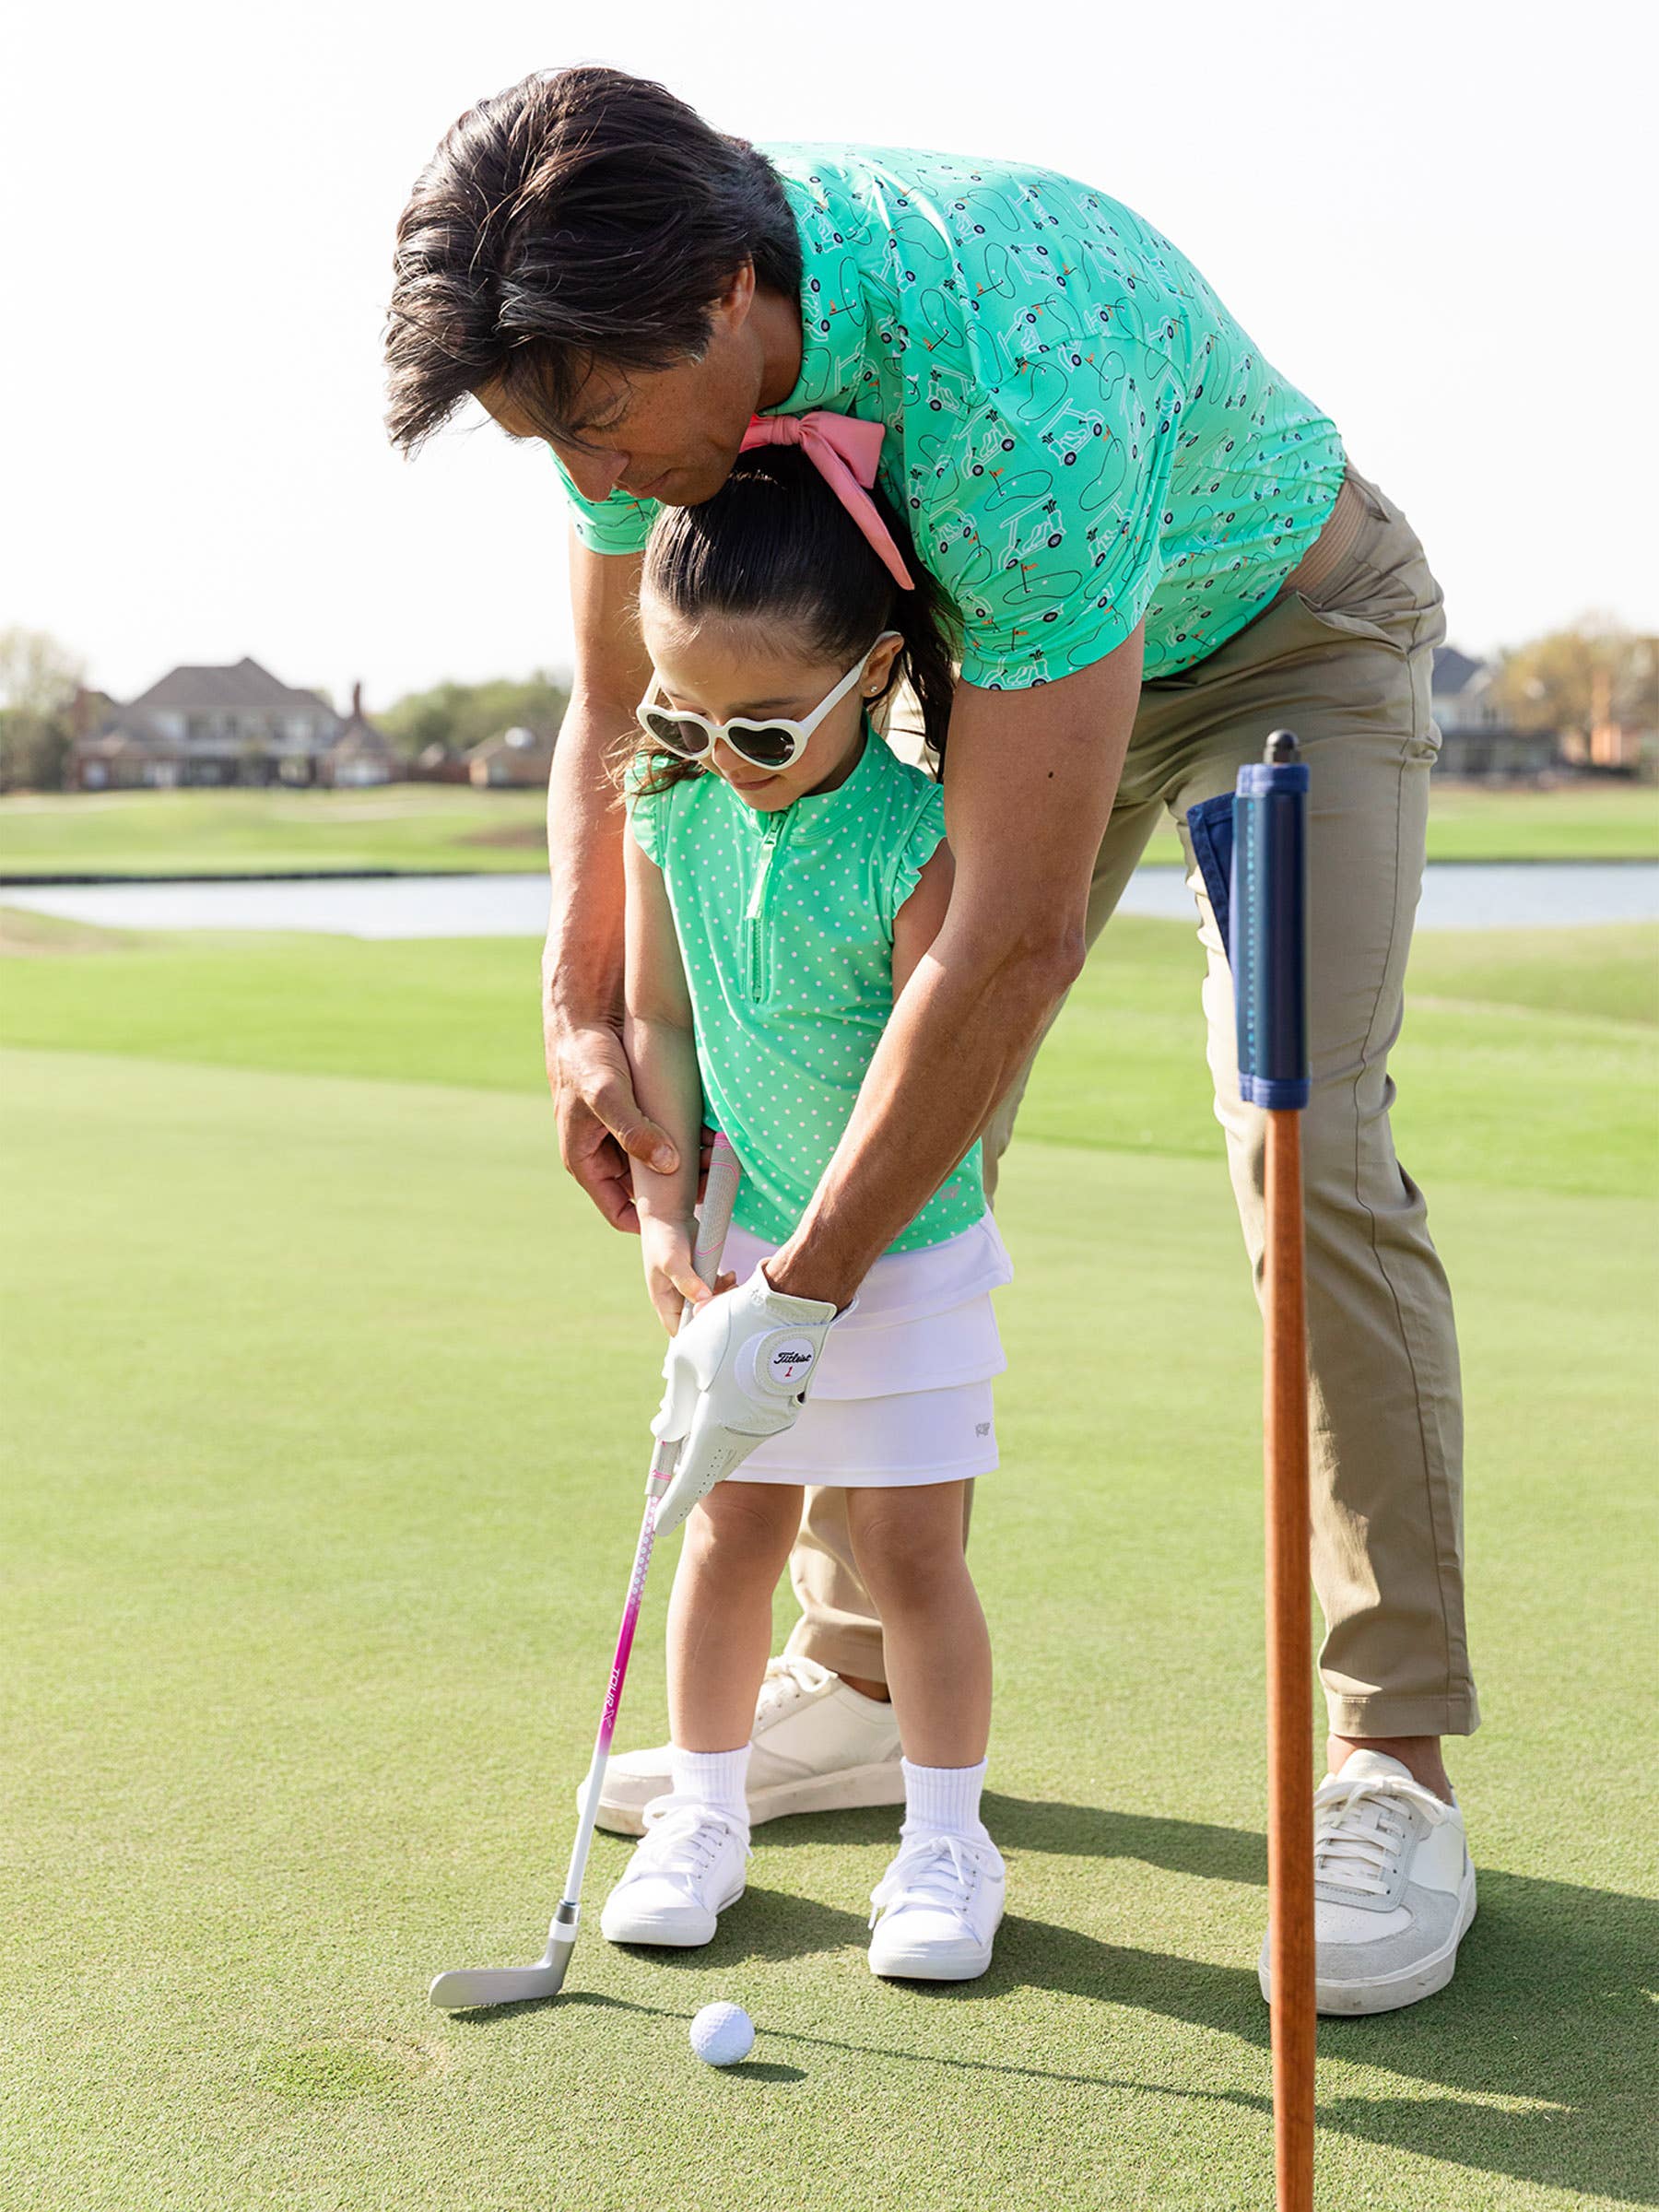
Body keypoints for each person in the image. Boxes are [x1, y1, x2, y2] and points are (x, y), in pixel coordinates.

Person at [386, 66, 1480, 2016]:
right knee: (830, 1069)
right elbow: (613, 715)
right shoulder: (602, 369)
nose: (599, 477)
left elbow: (1015, 941)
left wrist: (786, 1301)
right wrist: (581, 1015)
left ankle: (1393, 1764)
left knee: (1293, 1126)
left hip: (1262, 651)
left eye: (606, 427)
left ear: (731, 296)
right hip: (975, 665)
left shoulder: (1009, 381)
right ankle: (861, 1686)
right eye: (547, 441)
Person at [602, 426, 1009, 1981]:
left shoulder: (921, 838)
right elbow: (665, 1028)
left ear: (877, 673)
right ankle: (706, 1817)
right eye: (683, 715)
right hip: (740, 1241)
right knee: (729, 1540)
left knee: (910, 1557)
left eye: (764, 730)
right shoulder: (673, 812)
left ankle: (945, 1847)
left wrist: (822, 1266)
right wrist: (666, 1220)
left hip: (904, 1261)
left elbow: (940, 1079)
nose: (722, 756)